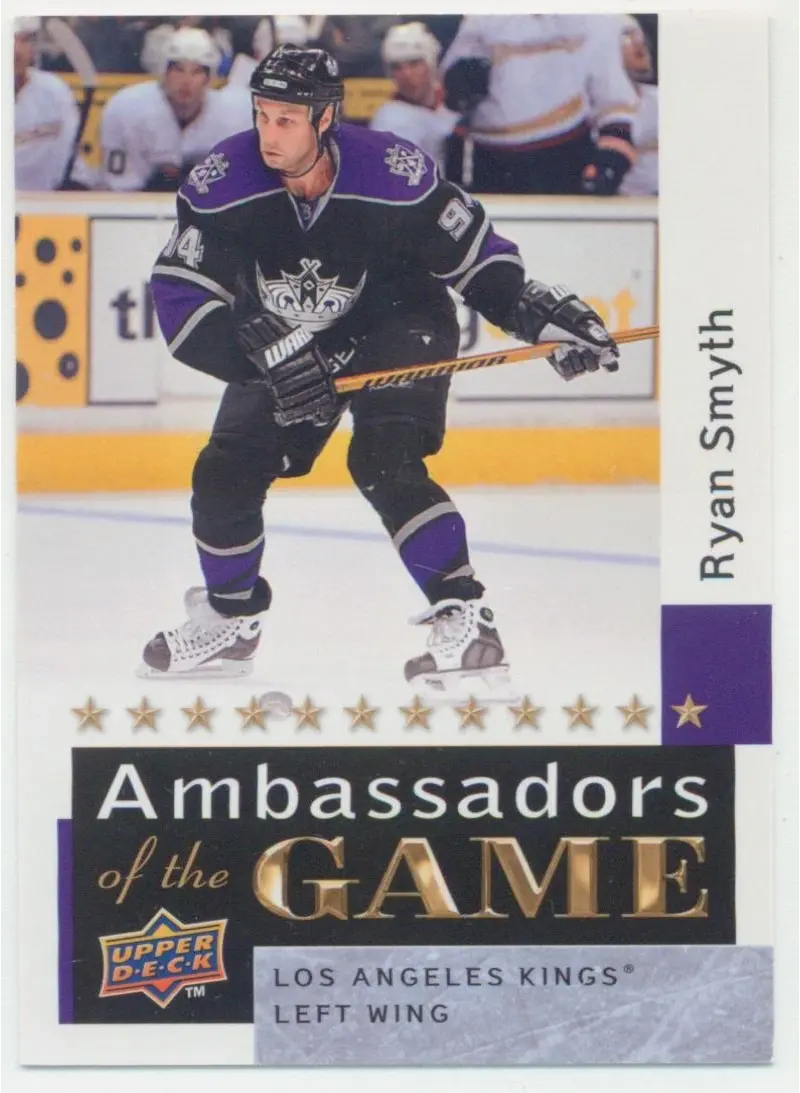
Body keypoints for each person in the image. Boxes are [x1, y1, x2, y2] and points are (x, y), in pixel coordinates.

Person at [143, 46, 620, 692]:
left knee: (383, 458)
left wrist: (534, 313)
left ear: (326, 118)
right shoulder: (223, 181)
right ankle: (231, 619)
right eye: (261, 115)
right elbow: (180, 296)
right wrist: (262, 357)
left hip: (399, 319)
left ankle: (465, 619)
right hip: (283, 337)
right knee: (225, 469)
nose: (268, 135)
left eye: (287, 119)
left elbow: (473, 256)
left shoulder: (394, 172)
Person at [441, 14, 639, 195]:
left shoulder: (595, 20)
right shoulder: (480, 19)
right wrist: (459, 84)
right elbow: (448, 98)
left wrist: (612, 157)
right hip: (490, 160)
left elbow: (614, 101)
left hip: (564, 158)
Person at [94, 27, 252, 192]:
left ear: (208, 78)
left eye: (196, 71)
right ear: (164, 73)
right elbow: (119, 189)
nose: (186, 81)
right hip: (140, 204)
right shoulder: (127, 108)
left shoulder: (237, 113)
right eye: (178, 70)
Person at [370, 22, 459, 169]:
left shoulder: (452, 105)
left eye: (414, 63)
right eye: (397, 67)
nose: (406, 74)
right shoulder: (390, 119)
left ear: (430, 64)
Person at [14, 17, 80, 192]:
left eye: (24, 40)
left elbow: (71, 161)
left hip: (47, 202)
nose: (16, 51)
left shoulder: (54, 90)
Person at [617, 16, 658, 197]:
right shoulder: (590, 112)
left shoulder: (662, 99)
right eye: (626, 35)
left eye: (639, 34)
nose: (640, 41)